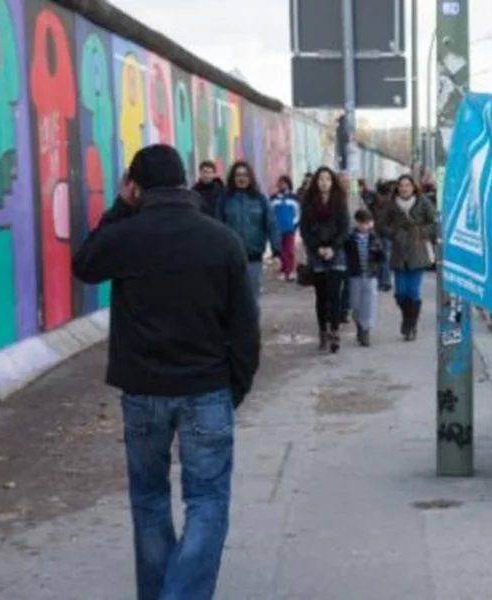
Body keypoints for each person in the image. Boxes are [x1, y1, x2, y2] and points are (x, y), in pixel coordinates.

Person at [71, 144, 259, 600]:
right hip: (207, 388)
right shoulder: (221, 239)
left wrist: (120, 207)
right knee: (207, 500)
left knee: (149, 499)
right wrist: (234, 387)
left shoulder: (127, 236)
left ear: (135, 187)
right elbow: (244, 326)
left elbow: (85, 264)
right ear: (183, 182)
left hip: (143, 390)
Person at [216, 161, 280, 318]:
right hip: (229, 258)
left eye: (245, 175)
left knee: (251, 298)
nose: (242, 178)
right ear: (232, 178)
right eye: (238, 175)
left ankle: (251, 330)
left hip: (253, 257)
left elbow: (271, 225)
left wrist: (277, 252)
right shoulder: (224, 200)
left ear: (251, 177)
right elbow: (217, 228)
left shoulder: (260, 200)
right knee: (231, 299)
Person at [299, 166, 351, 352]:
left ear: (332, 181)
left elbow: (345, 228)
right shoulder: (308, 202)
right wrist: (317, 248)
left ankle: (334, 331)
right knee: (321, 295)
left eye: (328, 179)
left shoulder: (340, 201)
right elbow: (304, 229)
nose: (324, 182)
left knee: (335, 294)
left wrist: (333, 248)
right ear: (316, 182)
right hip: (316, 253)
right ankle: (323, 330)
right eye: (321, 179)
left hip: (336, 252)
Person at [379, 174, 436, 341]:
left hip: (417, 251)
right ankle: (407, 318)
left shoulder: (423, 202)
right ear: (397, 188)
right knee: (401, 292)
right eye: (401, 185)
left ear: (413, 187)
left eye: (407, 185)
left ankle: (411, 325)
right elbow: (381, 224)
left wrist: (421, 232)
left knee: (413, 291)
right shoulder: (391, 204)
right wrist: (394, 233)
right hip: (398, 252)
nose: (404, 188)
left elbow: (434, 222)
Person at [343, 208, 386, 347]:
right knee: (355, 303)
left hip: (370, 275)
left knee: (368, 303)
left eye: (367, 223)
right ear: (356, 223)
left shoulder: (375, 239)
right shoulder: (350, 239)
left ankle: (365, 330)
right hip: (355, 275)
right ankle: (359, 325)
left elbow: (382, 257)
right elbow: (345, 255)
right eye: (362, 223)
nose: (364, 226)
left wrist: (381, 274)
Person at [270, 175, 300, 281]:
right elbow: (270, 213)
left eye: (285, 183)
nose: (282, 185)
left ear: (288, 184)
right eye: (281, 183)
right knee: (280, 251)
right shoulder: (273, 198)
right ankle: (282, 271)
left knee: (289, 250)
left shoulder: (294, 198)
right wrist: (273, 226)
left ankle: (290, 270)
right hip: (277, 230)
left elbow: (298, 213)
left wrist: (294, 225)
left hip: (289, 229)